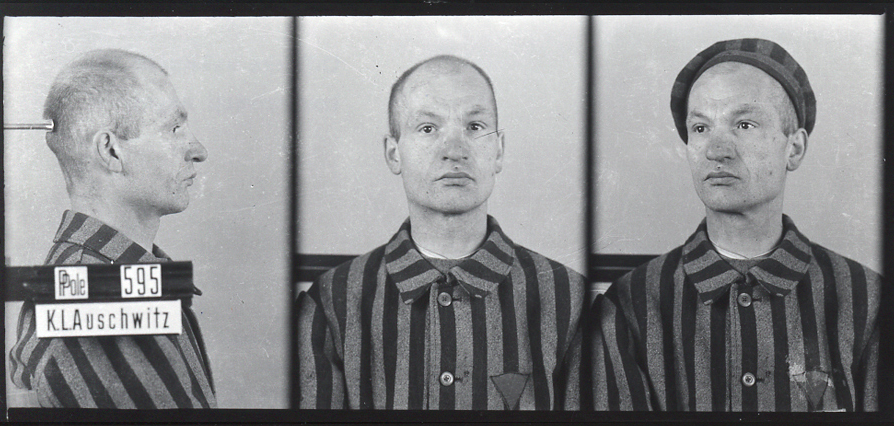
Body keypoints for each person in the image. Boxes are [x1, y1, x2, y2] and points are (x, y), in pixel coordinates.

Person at [589, 38, 881, 411]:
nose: (716, 149)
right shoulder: (628, 307)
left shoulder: (869, 303)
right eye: (700, 128)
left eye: (744, 124)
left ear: (794, 149)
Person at [294, 55, 587, 410]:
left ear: (499, 150)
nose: (454, 151)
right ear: (393, 154)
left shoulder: (571, 302)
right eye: (428, 128)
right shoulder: (330, 305)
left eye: (475, 127)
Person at [9, 49, 216, 408]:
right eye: (175, 128)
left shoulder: (119, 279)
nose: (198, 150)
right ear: (111, 151)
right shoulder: (103, 297)